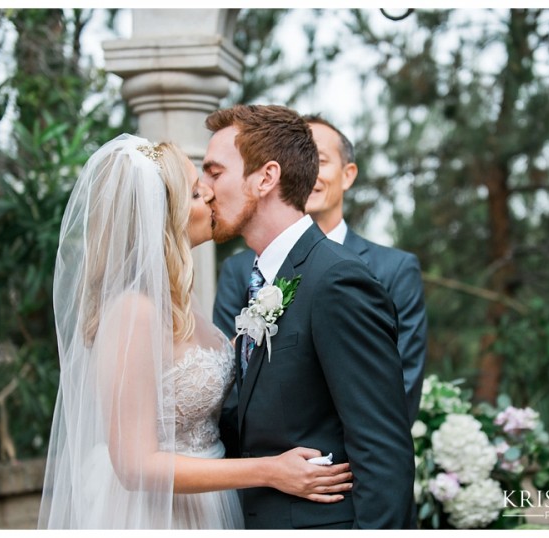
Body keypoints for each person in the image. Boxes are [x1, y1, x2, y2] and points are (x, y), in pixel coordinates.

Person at [38, 134, 352, 529]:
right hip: (159, 516)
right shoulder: (134, 311)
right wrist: (270, 470)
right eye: (194, 193)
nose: (210, 197)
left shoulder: (179, 300)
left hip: (212, 504)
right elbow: (134, 466)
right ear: (163, 215)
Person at [202, 104, 416, 529]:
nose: (204, 189)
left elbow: (383, 448)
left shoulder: (337, 280)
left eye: (214, 172)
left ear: (266, 178)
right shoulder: (264, 278)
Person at [214, 114, 427, 426]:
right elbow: (226, 376)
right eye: (301, 160)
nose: (309, 171)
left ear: (348, 174)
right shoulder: (241, 269)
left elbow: (401, 389)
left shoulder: (394, 270)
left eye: (320, 160)